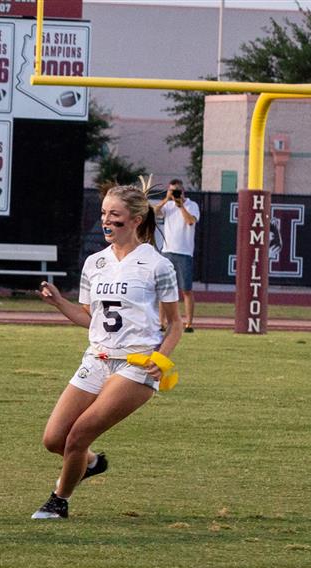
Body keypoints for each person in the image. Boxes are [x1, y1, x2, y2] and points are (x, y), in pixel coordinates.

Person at [33, 177, 182, 520]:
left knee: (78, 435)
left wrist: (162, 358)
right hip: (96, 360)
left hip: (135, 365)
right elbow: (91, 319)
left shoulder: (157, 264)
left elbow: (174, 324)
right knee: (55, 439)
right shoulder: (94, 263)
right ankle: (92, 464)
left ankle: (59, 500)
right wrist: (59, 303)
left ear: (136, 220)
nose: (106, 221)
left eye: (114, 215)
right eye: (103, 213)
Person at [153, 178, 200, 332]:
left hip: (184, 252)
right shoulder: (168, 206)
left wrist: (181, 206)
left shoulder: (192, 205)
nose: (175, 194)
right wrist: (167, 199)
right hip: (167, 251)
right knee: (164, 288)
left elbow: (191, 221)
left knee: (186, 289)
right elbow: (153, 213)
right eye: (173, 190)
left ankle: (189, 323)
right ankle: (162, 322)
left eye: (177, 191)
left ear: (183, 191)